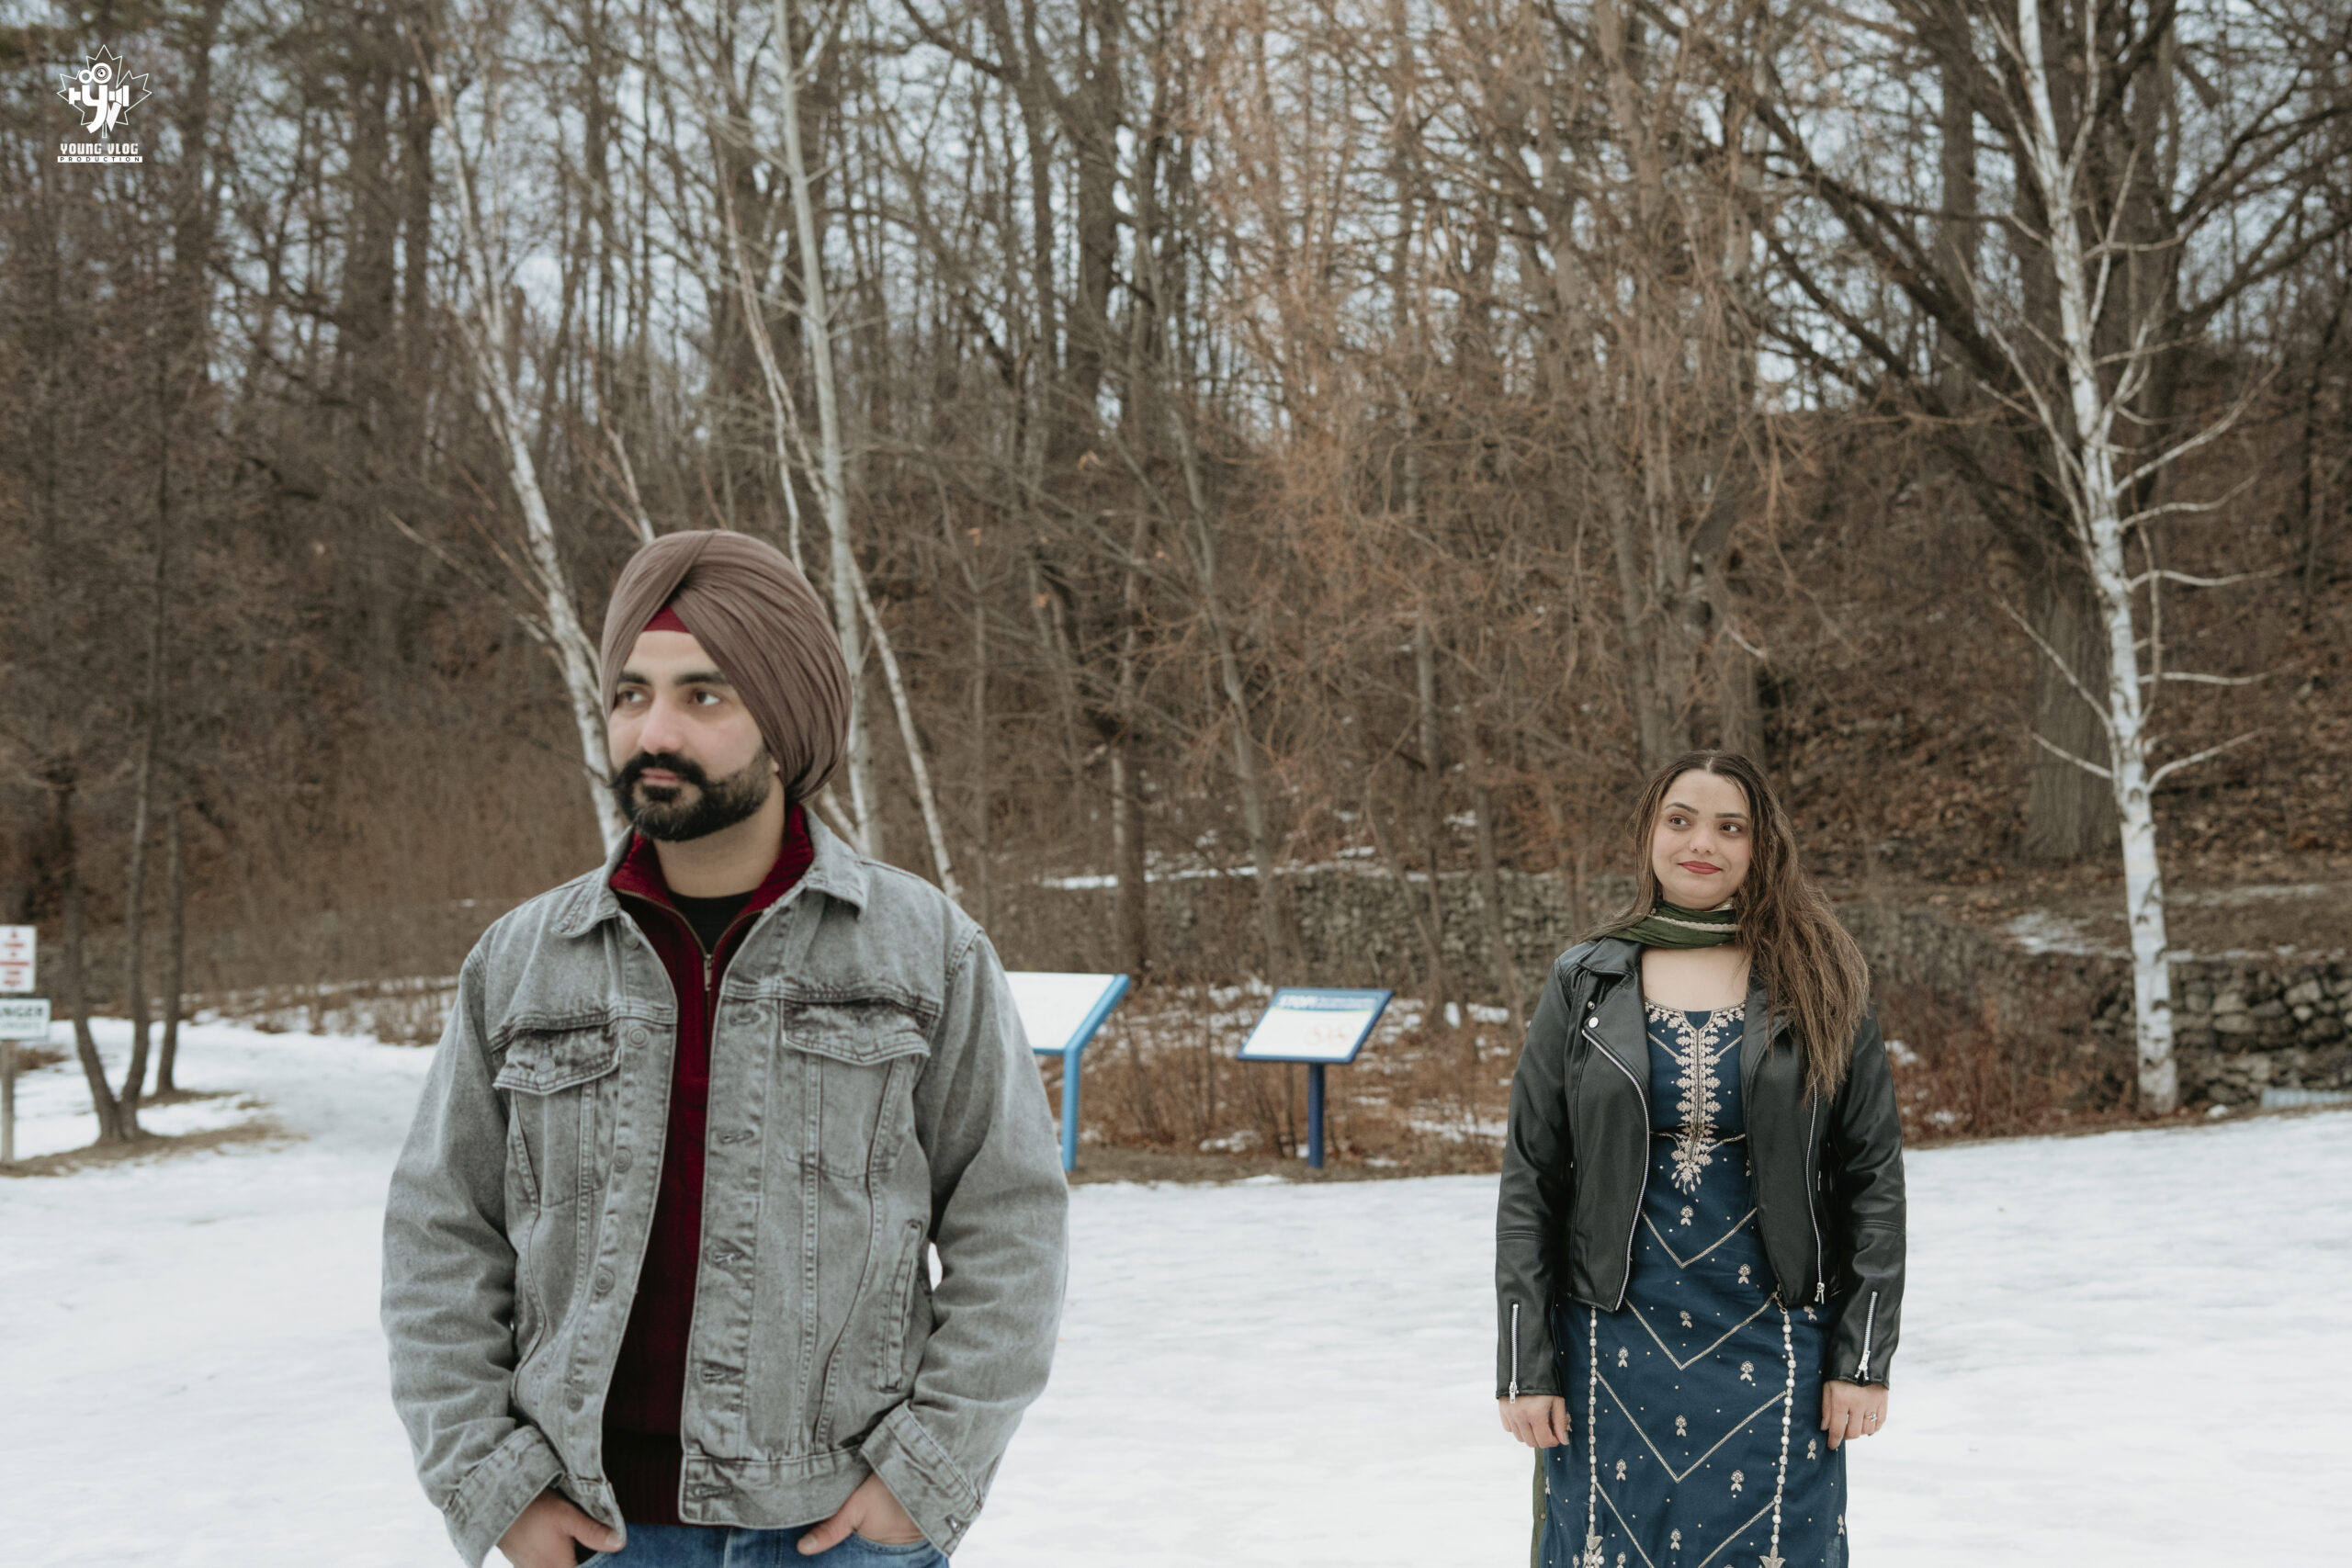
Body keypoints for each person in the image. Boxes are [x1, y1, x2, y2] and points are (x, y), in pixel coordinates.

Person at [383, 530, 1069, 1568]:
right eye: (631, 694)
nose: (653, 730)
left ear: (784, 727)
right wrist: (492, 1485)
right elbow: (440, 1236)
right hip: (596, 1532)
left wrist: (926, 1475)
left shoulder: (925, 951)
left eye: (703, 695)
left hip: (838, 1532)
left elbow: (1011, 1223)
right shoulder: (521, 963)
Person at [1495, 750, 1905, 1566]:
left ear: (1763, 844)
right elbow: (1531, 1180)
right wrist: (1525, 1365)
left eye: (1730, 826)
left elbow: (1872, 1180)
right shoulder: (1586, 980)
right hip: (1610, 1345)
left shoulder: (1822, 979)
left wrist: (1862, 1358)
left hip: (1777, 1341)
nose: (1701, 843)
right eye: (1679, 820)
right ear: (1650, 831)